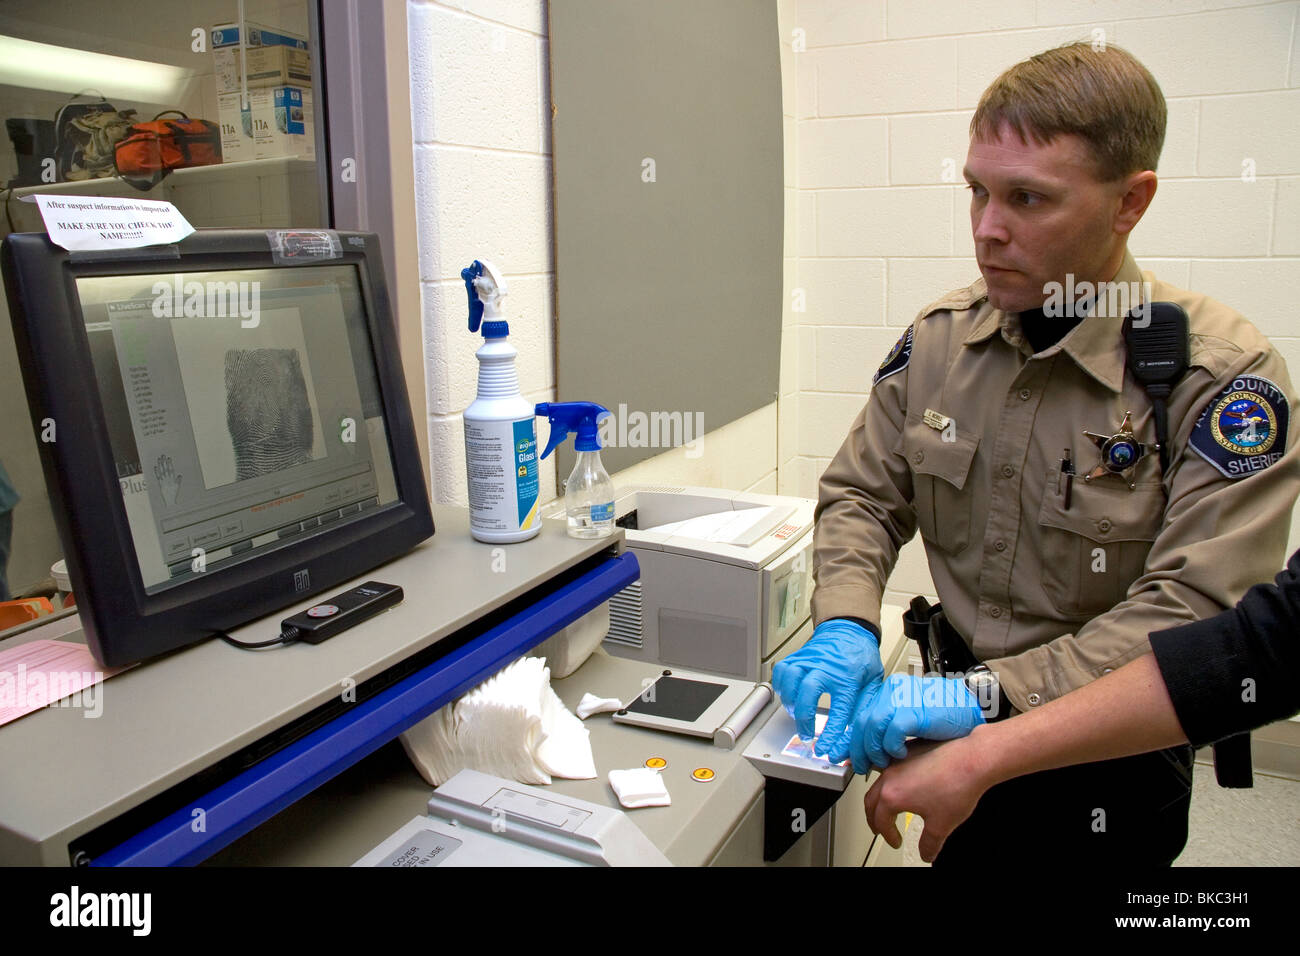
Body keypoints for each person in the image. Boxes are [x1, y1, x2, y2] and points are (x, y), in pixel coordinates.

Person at [773, 41, 1299, 866]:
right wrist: (843, 622)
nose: (987, 229)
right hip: (938, 721)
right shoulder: (941, 341)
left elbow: (1196, 611)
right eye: (977, 191)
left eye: (1027, 198)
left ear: (1131, 202)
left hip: (1108, 757)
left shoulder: (1222, 378)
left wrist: (990, 699)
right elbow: (863, 497)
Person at [863, 547, 1300, 862]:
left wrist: (983, 726)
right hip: (966, 733)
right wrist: (848, 622)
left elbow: (1252, 638)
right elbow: (864, 492)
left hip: (1120, 748)